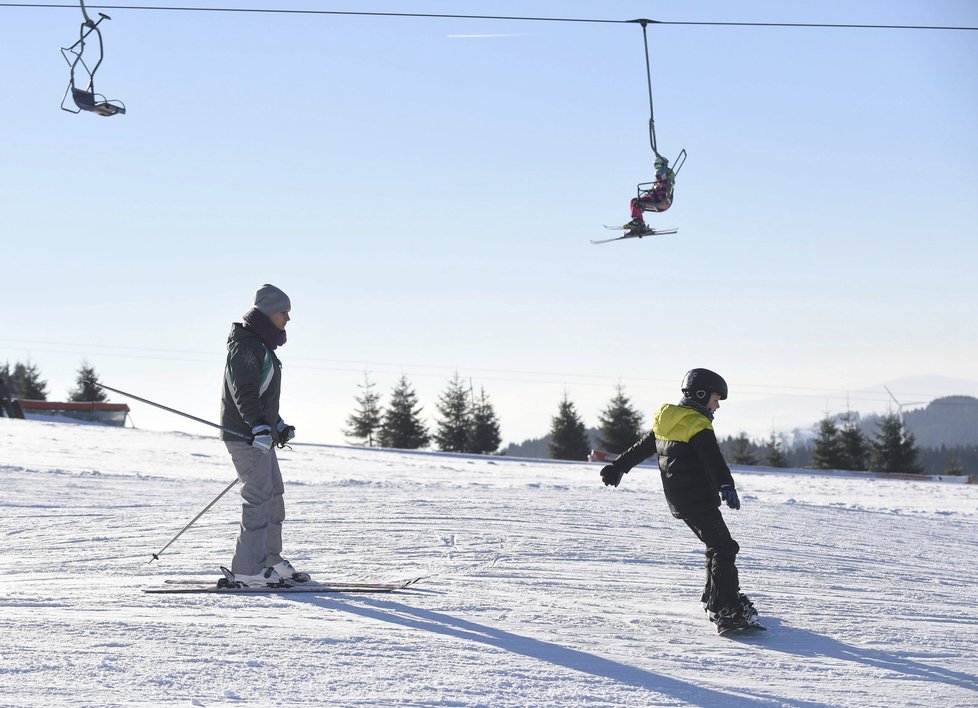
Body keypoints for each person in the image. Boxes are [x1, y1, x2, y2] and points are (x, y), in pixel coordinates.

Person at [599, 368, 759, 634]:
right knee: (725, 548)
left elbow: (644, 445)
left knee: (716, 545)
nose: (717, 405)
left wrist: (619, 466)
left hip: (680, 500)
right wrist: (726, 485)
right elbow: (713, 460)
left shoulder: (668, 419)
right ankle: (727, 610)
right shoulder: (697, 424)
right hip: (699, 498)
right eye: (715, 399)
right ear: (700, 395)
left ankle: (714, 600)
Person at [220, 284, 308, 587]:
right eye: (284, 312)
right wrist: (257, 426)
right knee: (258, 498)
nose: (288, 318)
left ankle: (269, 559)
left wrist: (276, 424)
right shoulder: (245, 347)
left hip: (259, 435)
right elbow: (243, 392)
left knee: (273, 495)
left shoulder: (260, 346)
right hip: (245, 437)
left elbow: (260, 397)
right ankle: (247, 568)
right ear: (270, 313)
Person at [623, 156, 676, 235]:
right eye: (656, 166)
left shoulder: (664, 181)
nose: (657, 169)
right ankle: (637, 222)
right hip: (656, 198)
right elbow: (657, 188)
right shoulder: (661, 181)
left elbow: (661, 189)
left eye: (659, 166)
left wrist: (653, 190)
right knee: (634, 201)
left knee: (636, 203)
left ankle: (638, 223)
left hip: (658, 200)